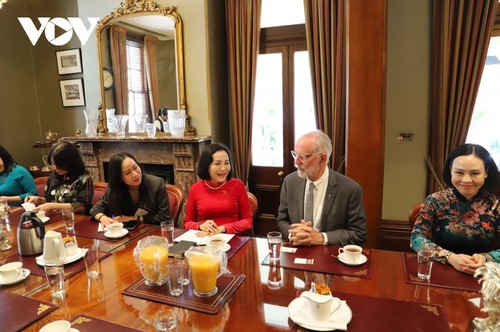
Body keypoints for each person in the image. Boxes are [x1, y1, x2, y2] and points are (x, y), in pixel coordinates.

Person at [410, 143, 500, 275]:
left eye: (475, 173)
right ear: (450, 171)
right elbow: (416, 238)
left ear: (486, 172)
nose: (466, 180)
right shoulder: (436, 201)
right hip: (440, 268)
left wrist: (486, 258)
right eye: (459, 172)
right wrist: (449, 257)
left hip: (482, 273)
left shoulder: (496, 205)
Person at [276, 130, 367, 246]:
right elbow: (282, 220)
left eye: (302, 157)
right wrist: (293, 234)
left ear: (322, 159)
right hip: (296, 251)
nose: (296, 162)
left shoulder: (350, 189)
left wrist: (321, 238)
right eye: (295, 154)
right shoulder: (290, 182)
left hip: (329, 256)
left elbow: (358, 234)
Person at [184, 143, 252, 235]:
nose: (223, 168)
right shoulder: (195, 189)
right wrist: (200, 226)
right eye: (217, 163)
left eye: (227, 163)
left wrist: (222, 228)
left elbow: (248, 221)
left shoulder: (237, 185)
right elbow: (188, 223)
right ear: (206, 166)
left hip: (232, 238)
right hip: (206, 239)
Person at [90, 152, 170, 226]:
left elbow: (165, 218)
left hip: (150, 232)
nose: (135, 174)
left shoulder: (156, 184)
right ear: (119, 178)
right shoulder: (114, 188)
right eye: (128, 173)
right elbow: (96, 208)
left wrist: (131, 218)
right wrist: (102, 218)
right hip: (124, 234)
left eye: (135, 167)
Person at [25, 142, 93, 214]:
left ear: (71, 162)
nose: (56, 168)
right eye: (53, 163)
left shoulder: (84, 179)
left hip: (77, 219)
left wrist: (52, 206)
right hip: (55, 219)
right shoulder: (53, 177)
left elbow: (83, 206)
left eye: (60, 164)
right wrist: (39, 200)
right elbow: (49, 199)